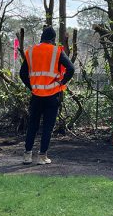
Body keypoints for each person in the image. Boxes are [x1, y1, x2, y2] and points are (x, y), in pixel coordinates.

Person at [20, 26, 75, 165]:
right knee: (47, 127)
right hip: (52, 95)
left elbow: (22, 74)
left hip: (36, 95)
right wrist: (62, 82)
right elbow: (71, 69)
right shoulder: (57, 51)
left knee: (32, 125)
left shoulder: (30, 51)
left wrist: (32, 86)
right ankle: (42, 157)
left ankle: (27, 155)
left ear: (41, 37)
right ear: (53, 39)